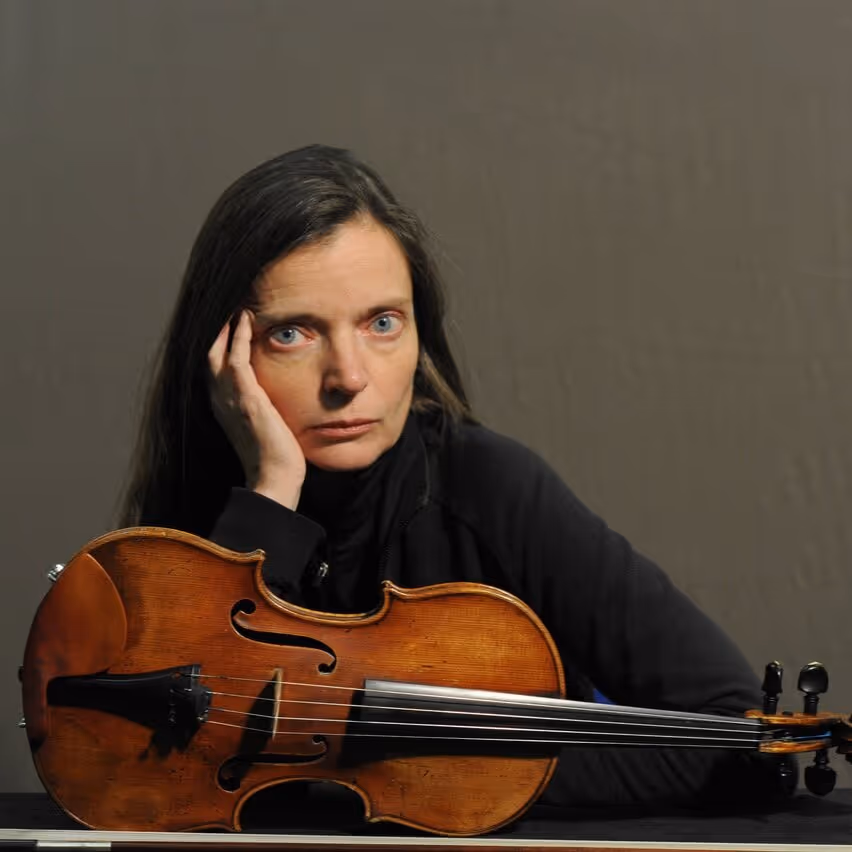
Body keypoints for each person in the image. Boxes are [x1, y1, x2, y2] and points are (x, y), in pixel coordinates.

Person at [119, 144, 791, 813]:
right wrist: (270, 493)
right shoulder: (207, 518)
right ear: (223, 357)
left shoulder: (489, 486)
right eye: (293, 333)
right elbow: (153, 770)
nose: (350, 377)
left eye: (383, 324)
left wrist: (453, 783)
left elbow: (735, 729)